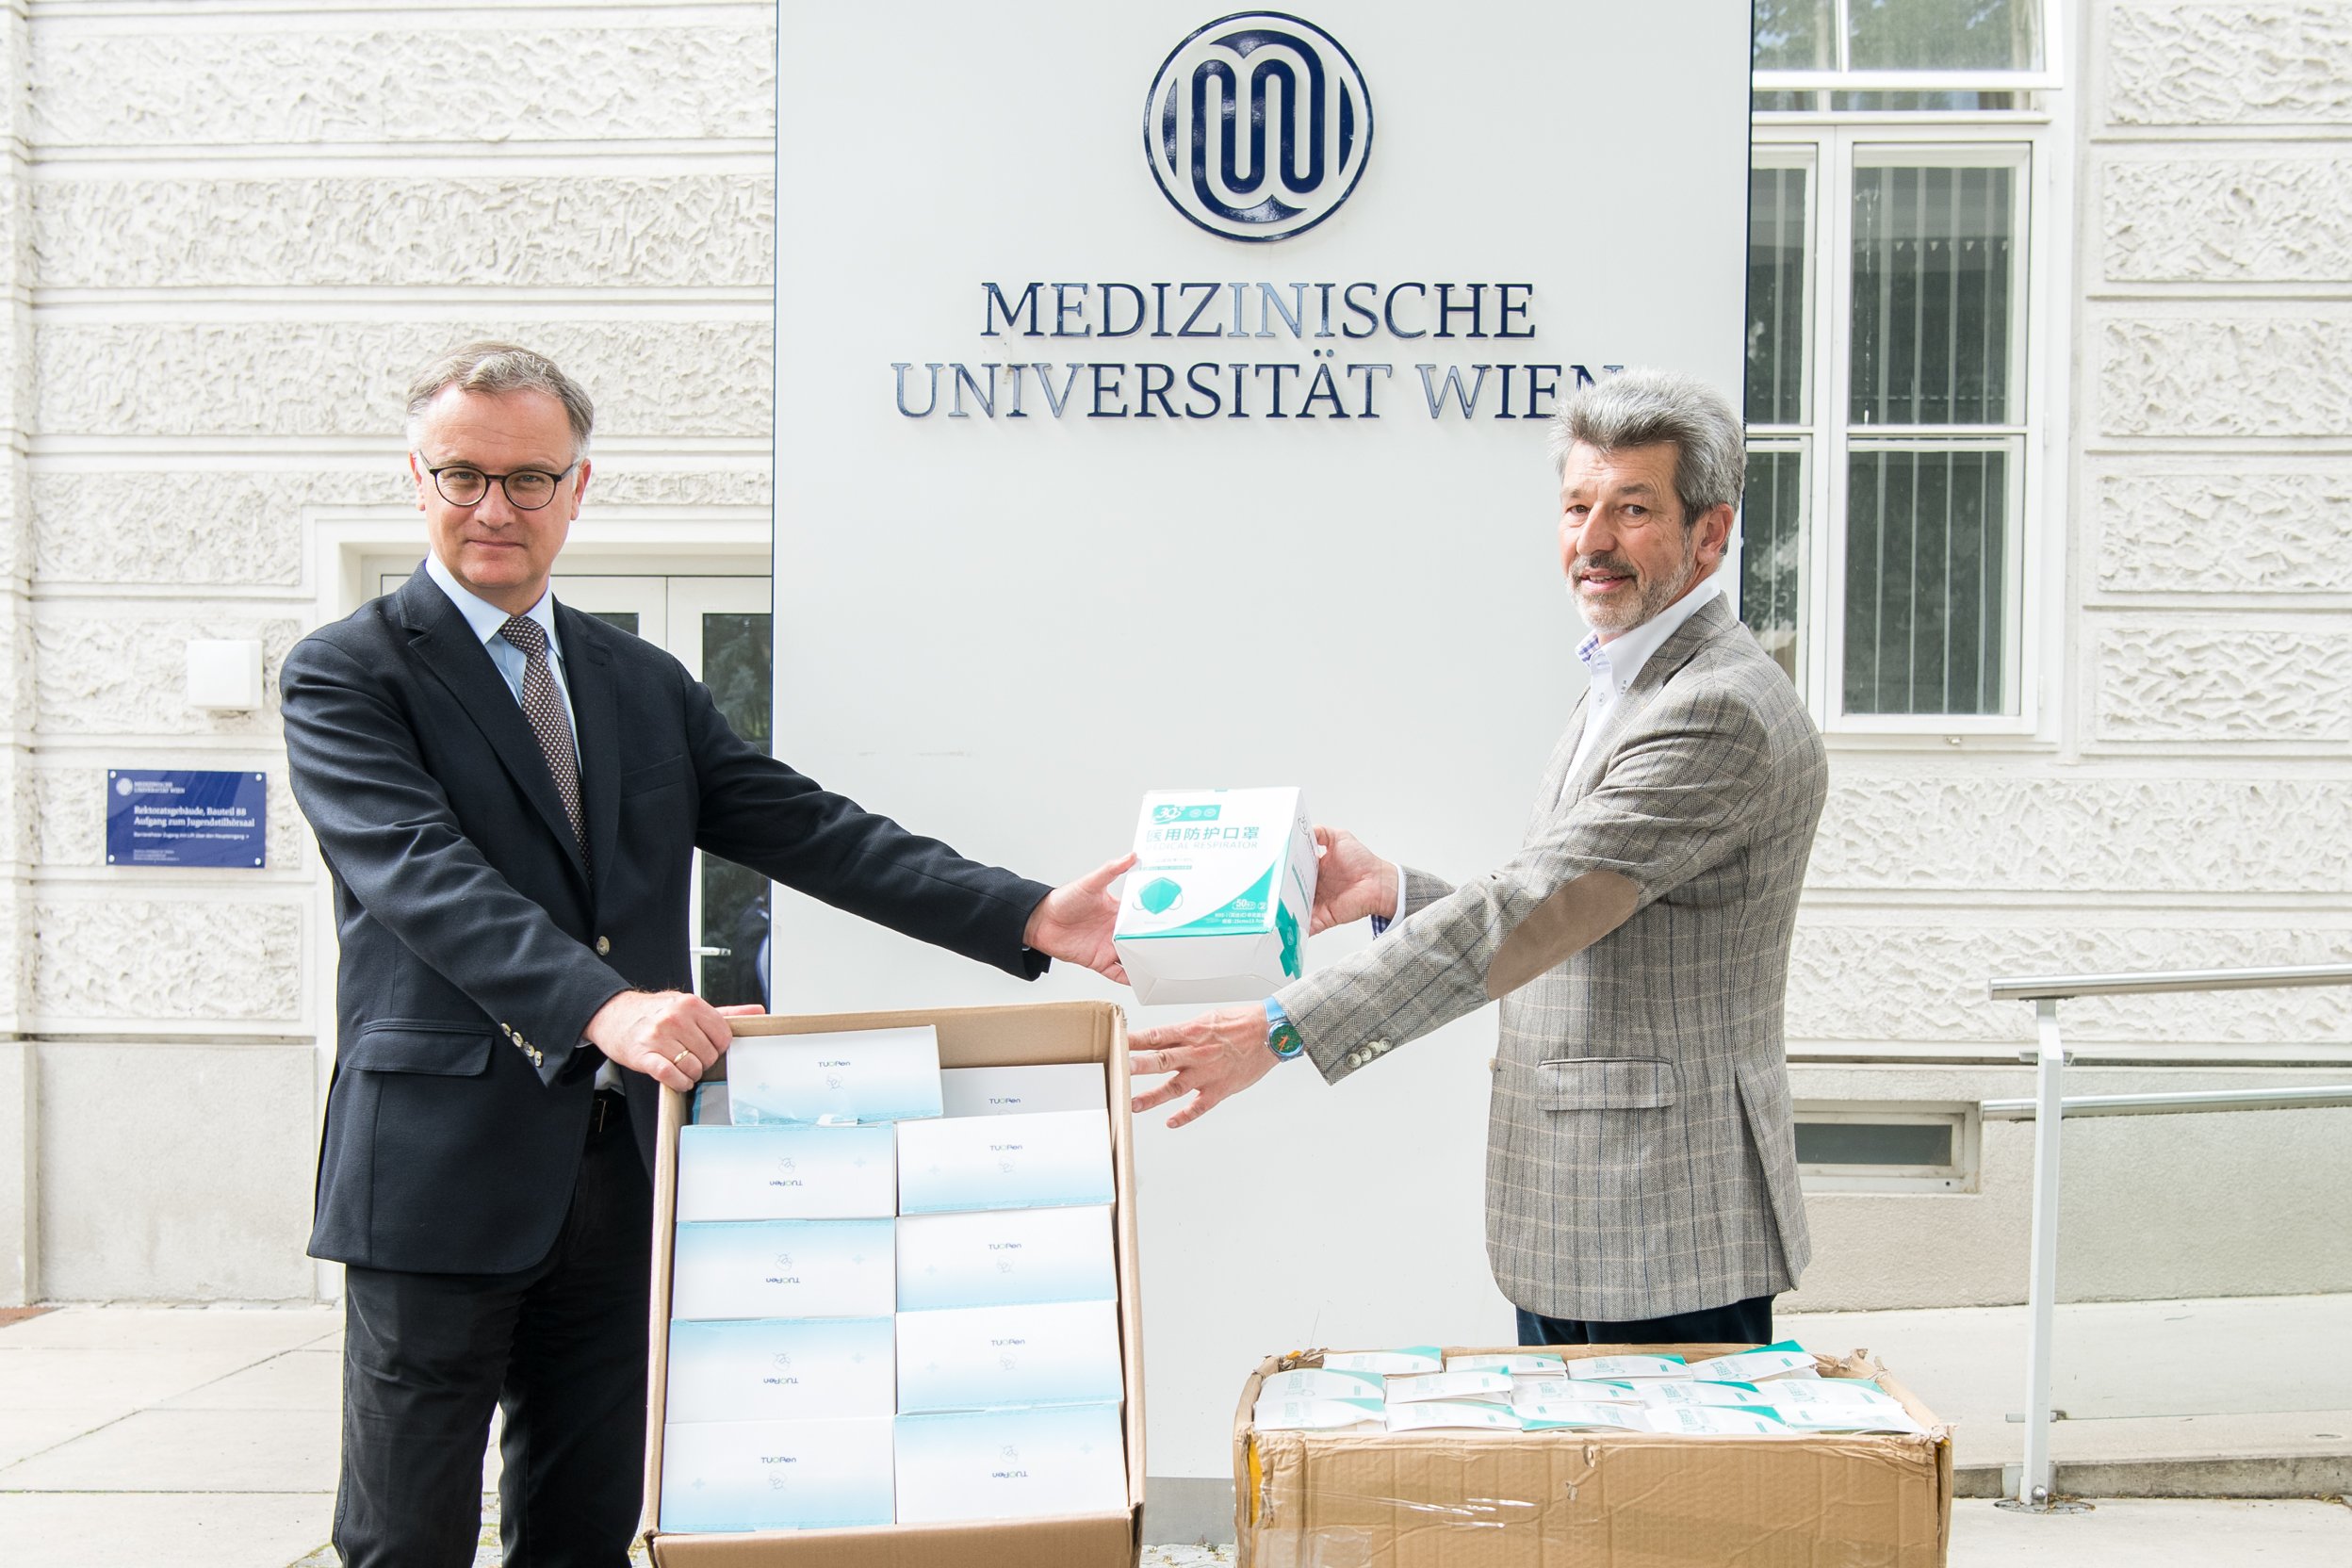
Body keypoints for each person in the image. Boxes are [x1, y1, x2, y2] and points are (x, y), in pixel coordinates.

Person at [281, 341, 1129, 1568]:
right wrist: (606, 1005)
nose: (494, 507)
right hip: (438, 1171)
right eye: (463, 474)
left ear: (578, 489)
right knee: (405, 1536)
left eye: (529, 478)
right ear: (417, 478)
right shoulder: (348, 672)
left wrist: (1029, 913)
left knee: (586, 1526)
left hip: (630, 1166)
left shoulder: (638, 682)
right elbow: (422, 874)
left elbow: (806, 826)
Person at [1130, 368, 1827, 1348]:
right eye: (1577, 507)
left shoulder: (1715, 709)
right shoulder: (1630, 677)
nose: (1593, 541)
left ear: (1710, 534)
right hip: (1594, 1211)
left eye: (1632, 510)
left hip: (1662, 1224)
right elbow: (1582, 916)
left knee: (1632, 1460)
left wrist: (1282, 1028)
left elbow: (1537, 905)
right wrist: (1393, 891)